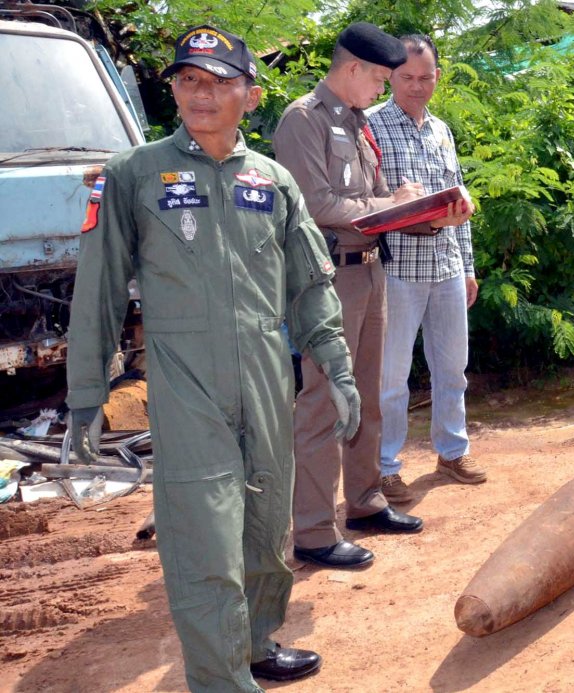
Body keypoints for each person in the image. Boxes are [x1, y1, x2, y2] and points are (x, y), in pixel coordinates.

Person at [65, 25, 354, 689]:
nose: (202, 93)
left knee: (264, 528)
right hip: (186, 382)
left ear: (250, 96)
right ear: (172, 88)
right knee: (205, 541)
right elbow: (99, 292)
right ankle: (221, 679)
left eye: (220, 82)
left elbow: (309, 285)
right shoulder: (133, 175)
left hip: (264, 375)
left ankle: (253, 641)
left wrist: (335, 365)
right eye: (188, 80)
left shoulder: (273, 181)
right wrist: (87, 392)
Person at [273, 22, 424, 570]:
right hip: (325, 278)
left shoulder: (358, 124)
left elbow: (366, 195)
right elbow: (314, 204)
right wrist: (388, 208)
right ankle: (313, 531)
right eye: (381, 80)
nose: (383, 91)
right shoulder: (302, 121)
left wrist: (409, 205)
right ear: (353, 69)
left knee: (366, 391)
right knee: (321, 402)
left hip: (368, 270)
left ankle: (364, 502)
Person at [368, 34, 483, 502]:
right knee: (391, 378)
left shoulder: (441, 130)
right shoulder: (370, 127)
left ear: (438, 76)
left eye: (426, 77)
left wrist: (469, 266)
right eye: (407, 77)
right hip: (396, 271)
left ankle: (452, 450)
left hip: (448, 267)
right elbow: (365, 208)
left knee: (453, 368)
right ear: (391, 76)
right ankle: (385, 466)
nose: (417, 86)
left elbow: (459, 200)